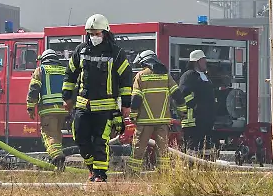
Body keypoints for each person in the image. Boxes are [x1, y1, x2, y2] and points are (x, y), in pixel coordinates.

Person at [62, 14, 133, 182]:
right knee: (80, 137)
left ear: (106, 32)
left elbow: (126, 79)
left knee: (100, 142)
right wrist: (67, 97)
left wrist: (126, 104)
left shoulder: (116, 53)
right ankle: (92, 169)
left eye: (97, 33)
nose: (94, 37)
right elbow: (70, 74)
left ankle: (100, 175)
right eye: (91, 33)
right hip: (83, 106)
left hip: (105, 107)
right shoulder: (81, 50)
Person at [127, 50, 188, 172]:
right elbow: (177, 95)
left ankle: (133, 173)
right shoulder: (166, 76)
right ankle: (163, 174)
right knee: (163, 151)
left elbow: (136, 98)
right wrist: (183, 112)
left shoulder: (141, 76)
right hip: (163, 121)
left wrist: (133, 115)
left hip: (145, 121)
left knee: (138, 149)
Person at [26, 49, 69, 170]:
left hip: (48, 110)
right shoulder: (64, 70)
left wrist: (30, 107)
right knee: (57, 134)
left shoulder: (41, 70)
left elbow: (34, 89)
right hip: (63, 110)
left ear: (43, 60)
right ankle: (59, 165)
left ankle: (57, 158)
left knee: (48, 134)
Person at [178, 49, 216, 153]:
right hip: (193, 120)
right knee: (192, 148)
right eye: (203, 60)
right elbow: (182, 93)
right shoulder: (188, 76)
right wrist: (194, 105)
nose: (205, 62)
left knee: (207, 148)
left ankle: (206, 166)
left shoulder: (205, 76)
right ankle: (189, 167)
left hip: (206, 119)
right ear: (196, 62)